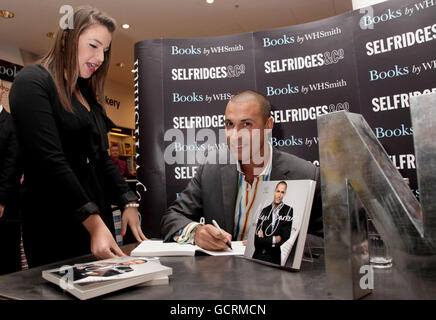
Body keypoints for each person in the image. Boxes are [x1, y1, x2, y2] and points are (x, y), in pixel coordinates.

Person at [9, 6, 147, 268]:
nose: (99, 58)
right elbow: (49, 161)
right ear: (66, 39)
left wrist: (128, 200)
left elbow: (100, 157)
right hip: (55, 221)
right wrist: (93, 223)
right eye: (93, 46)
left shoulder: (87, 96)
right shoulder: (32, 82)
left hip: (97, 218)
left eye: (105, 51)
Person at [161, 90, 323, 251]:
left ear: (268, 125)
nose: (235, 135)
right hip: (223, 273)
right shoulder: (211, 170)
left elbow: (331, 240)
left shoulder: (306, 174)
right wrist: (196, 233)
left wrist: (285, 239)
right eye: (229, 124)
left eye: (246, 124)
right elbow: (173, 218)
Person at [0, 80, 23, 274]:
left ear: (1, 91)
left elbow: (12, 164)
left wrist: (1, 200)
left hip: (6, 206)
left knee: (7, 259)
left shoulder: (11, 123)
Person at [252, 181, 293, 265]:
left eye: (282, 192)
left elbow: (285, 238)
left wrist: (264, 240)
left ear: (285, 194)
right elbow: (257, 241)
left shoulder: (288, 211)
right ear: (274, 191)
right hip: (258, 256)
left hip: (274, 259)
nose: (279, 195)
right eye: (278, 191)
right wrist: (274, 239)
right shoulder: (264, 210)